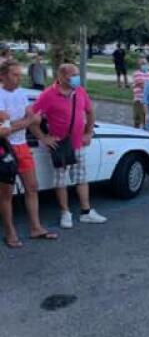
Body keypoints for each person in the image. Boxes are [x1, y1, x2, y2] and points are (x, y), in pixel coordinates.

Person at [29, 64, 106, 228]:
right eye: (74, 75)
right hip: (60, 146)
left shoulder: (80, 91)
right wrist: (44, 138)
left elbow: (90, 112)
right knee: (61, 180)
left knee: (81, 178)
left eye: (78, 74)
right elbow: (31, 118)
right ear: (62, 76)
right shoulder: (48, 95)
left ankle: (86, 212)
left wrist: (88, 132)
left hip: (78, 143)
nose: (77, 78)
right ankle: (65, 213)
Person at [0, 60, 57, 248]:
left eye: (19, 74)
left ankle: (35, 227)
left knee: (32, 187)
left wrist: (43, 137)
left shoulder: (21, 93)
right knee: (6, 195)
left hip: (22, 146)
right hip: (4, 150)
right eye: (14, 74)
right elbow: (4, 131)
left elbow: (33, 119)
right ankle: (10, 233)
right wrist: (26, 121)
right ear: (2, 76)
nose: (19, 78)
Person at [131, 58, 149, 129]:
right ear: (139, 65)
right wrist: (148, 85)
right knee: (137, 118)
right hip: (139, 99)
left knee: (145, 117)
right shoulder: (136, 73)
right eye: (142, 63)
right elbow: (142, 85)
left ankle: (144, 130)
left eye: (146, 63)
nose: (145, 65)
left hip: (147, 100)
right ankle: (136, 131)